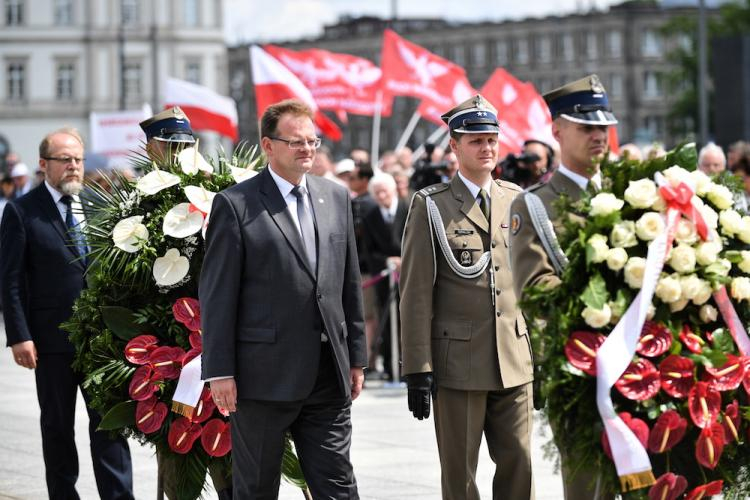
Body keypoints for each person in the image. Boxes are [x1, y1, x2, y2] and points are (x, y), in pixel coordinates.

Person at [199, 99, 367, 498]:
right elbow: (218, 293)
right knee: (256, 488)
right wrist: (219, 369)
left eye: (313, 140)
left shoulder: (336, 197)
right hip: (263, 380)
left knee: (338, 485)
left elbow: (348, 283)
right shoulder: (236, 204)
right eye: (296, 142)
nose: (307, 149)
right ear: (268, 146)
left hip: (327, 375)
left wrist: (356, 356)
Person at [400, 95, 534, 500]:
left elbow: (531, 284)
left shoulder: (517, 199)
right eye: (475, 140)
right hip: (458, 361)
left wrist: (539, 355)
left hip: (514, 357)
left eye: (492, 139)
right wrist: (417, 367)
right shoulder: (432, 206)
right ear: (454, 146)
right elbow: (415, 294)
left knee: (521, 462)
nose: (487, 147)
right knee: (460, 475)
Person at [0, 128, 134, 499]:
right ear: (44, 165)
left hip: (100, 343)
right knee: (57, 429)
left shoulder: (95, 205)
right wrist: (19, 335)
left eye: (78, 159)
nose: (74, 166)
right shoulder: (21, 211)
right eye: (65, 160)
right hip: (50, 341)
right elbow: (9, 280)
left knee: (110, 426)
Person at [509, 74, 618, 500]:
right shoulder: (535, 203)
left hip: (642, 361)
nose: (598, 136)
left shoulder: (631, 191)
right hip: (579, 366)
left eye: (602, 127)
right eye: (586, 127)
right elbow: (536, 288)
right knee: (589, 483)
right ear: (557, 131)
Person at [361, 173, 408, 381]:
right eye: (377, 193)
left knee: (409, 320)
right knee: (387, 320)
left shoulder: (409, 209)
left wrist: (403, 259)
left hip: (409, 275)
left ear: (394, 190)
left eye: (385, 191)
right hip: (384, 276)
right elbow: (368, 251)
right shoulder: (370, 216)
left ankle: (410, 367)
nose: (381, 196)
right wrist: (388, 261)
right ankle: (390, 366)